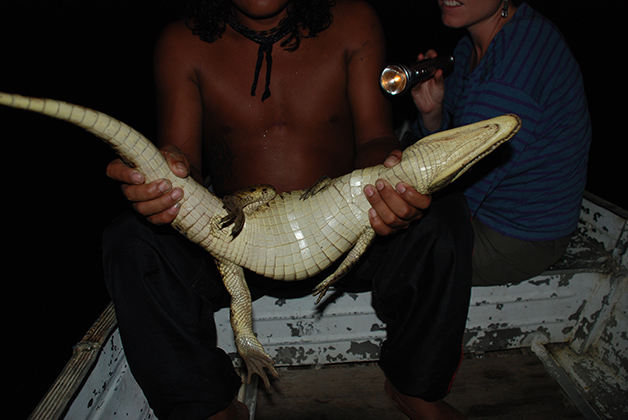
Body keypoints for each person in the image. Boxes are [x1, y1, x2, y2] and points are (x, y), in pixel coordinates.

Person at [104, 0, 473, 418]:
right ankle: (208, 405)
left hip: (345, 234)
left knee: (444, 213)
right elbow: (182, 166)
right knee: (132, 240)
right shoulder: (180, 42)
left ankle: (416, 387)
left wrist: (391, 181)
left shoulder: (354, 20)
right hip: (238, 245)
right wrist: (162, 178)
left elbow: (374, 137)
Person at [407, 0, 591, 286]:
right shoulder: (468, 48)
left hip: (520, 234)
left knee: (398, 260)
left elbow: (457, 188)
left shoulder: (521, 57)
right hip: (475, 204)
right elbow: (449, 151)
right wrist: (432, 114)